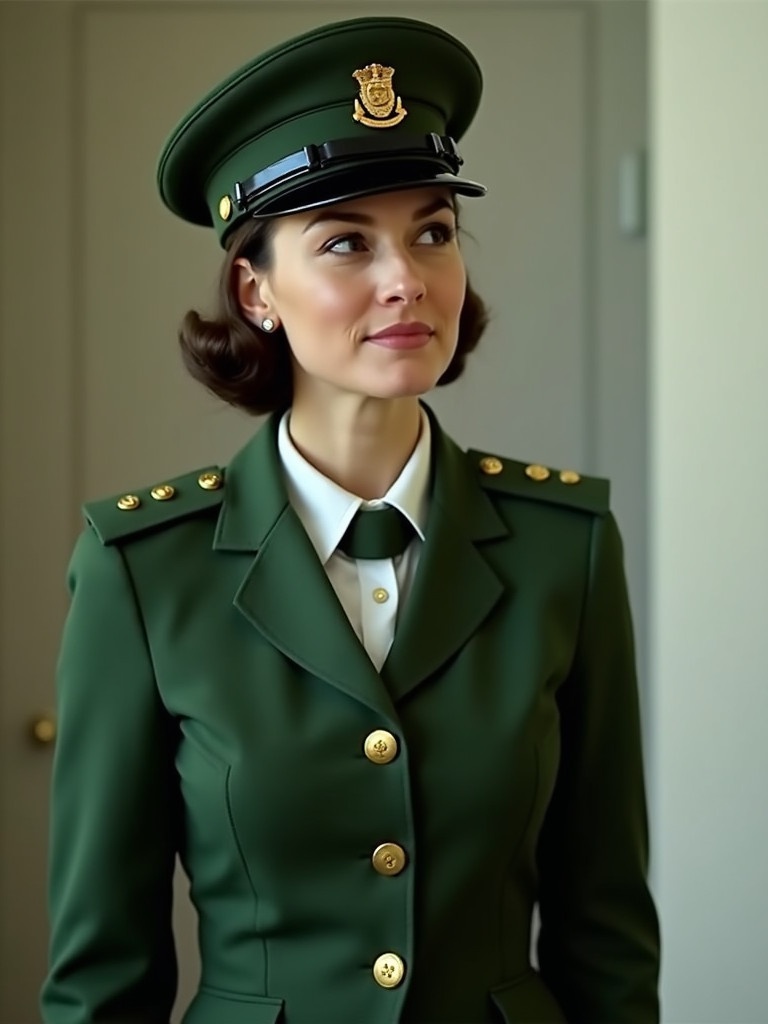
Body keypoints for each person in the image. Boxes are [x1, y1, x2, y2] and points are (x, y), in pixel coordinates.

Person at [41, 15, 660, 1024]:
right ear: (257, 291)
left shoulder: (566, 548)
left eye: (432, 230)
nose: (406, 278)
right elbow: (101, 973)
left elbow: (608, 935)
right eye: (345, 242)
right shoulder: (143, 570)